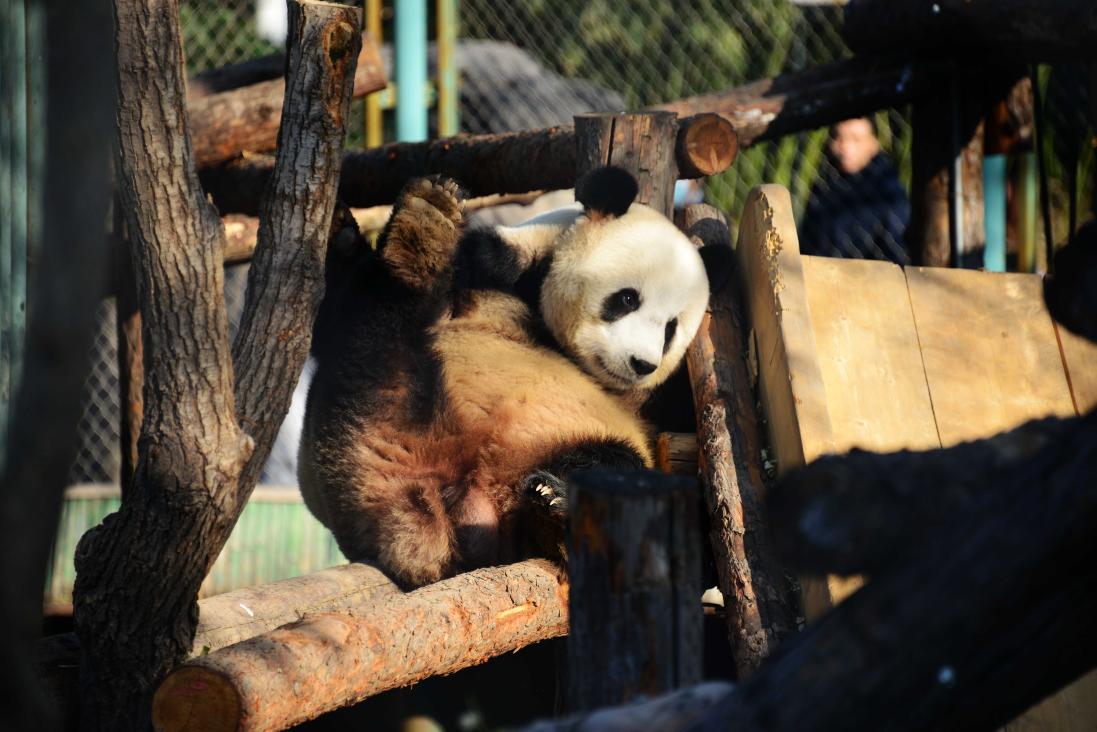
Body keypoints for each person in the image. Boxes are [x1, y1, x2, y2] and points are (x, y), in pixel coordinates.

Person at [799, 117, 911, 265]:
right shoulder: (823, 186)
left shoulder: (888, 191)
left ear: (873, 144)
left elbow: (897, 252)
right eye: (838, 138)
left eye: (856, 139)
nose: (845, 147)